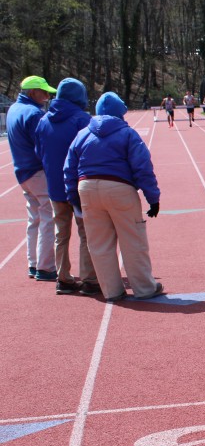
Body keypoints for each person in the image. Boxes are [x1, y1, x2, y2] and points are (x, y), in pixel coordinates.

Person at [64, 92, 163, 301]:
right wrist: (152, 198)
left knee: (99, 243)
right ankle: (144, 288)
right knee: (133, 239)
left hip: (87, 187)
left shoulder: (82, 134)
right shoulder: (127, 133)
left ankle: (112, 291)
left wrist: (73, 198)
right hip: (120, 187)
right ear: (120, 112)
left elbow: (69, 169)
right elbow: (142, 167)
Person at [34, 78, 99, 295]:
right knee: (85, 233)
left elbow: (39, 152)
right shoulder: (82, 120)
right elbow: (91, 152)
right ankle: (90, 279)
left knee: (61, 233)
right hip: (78, 187)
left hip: (54, 186)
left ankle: (63, 278)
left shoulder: (43, 121)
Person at [7, 75, 58, 281]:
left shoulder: (14, 109)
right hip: (37, 171)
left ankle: (34, 263)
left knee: (34, 218)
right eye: (43, 92)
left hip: (22, 171)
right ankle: (45, 267)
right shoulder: (34, 113)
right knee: (48, 217)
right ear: (32, 92)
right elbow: (43, 145)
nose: (47, 96)